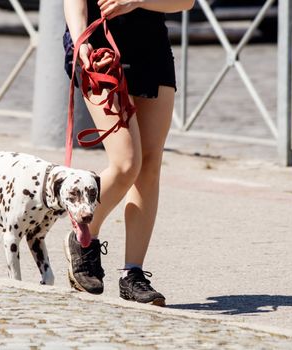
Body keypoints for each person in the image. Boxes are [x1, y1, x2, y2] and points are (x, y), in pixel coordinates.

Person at [63, 0, 195, 306]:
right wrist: (80, 38)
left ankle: (132, 275)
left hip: (152, 47)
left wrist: (137, 1)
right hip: (97, 45)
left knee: (149, 164)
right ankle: (84, 235)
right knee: (126, 163)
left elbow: (186, 1)